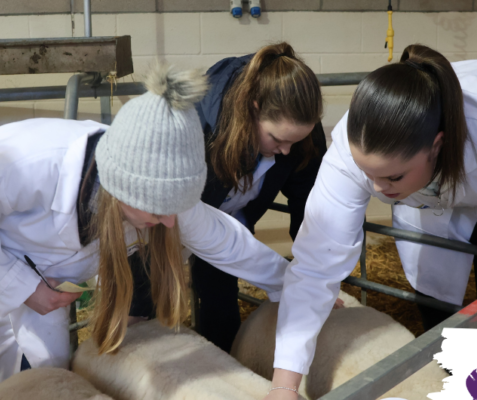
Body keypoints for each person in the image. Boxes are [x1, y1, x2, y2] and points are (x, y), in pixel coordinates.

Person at [0, 65, 291, 400]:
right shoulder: (24, 161)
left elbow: (224, 240)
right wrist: (22, 287)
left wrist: (290, 284)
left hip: (43, 299)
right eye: (159, 211)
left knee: (44, 384)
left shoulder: (159, 189)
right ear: (121, 191)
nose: (171, 222)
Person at [264, 45, 477, 399]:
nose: (377, 189)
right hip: (427, 203)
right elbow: (316, 265)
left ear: (436, 146)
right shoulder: (352, 150)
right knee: (437, 296)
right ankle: (446, 380)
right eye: (368, 174)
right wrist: (284, 385)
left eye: (392, 176)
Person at [129, 42, 328, 353]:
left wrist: (313, 271)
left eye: (295, 141)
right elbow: (160, 211)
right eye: (277, 139)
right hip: (173, 214)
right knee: (143, 294)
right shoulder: (196, 123)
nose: (286, 150)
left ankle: (224, 360)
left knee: (219, 294)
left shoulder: (300, 134)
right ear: (253, 109)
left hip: (232, 217)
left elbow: (309, 201)